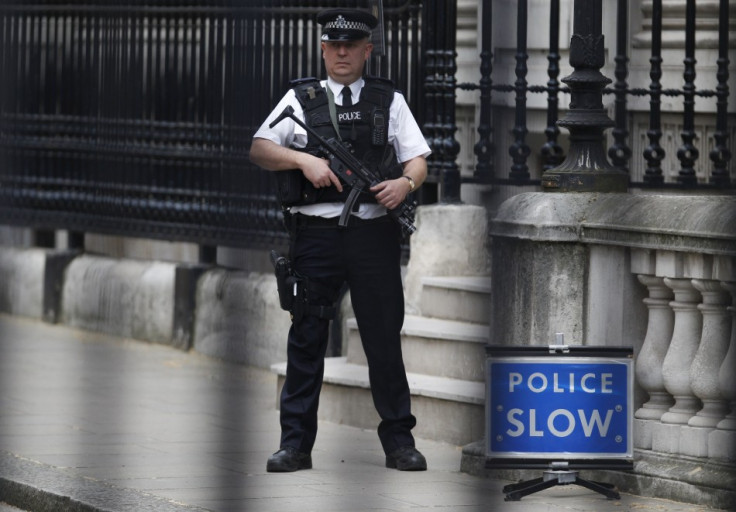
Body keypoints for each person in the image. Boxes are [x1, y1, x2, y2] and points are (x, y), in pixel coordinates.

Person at [249, 8, 430, 473]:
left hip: (373, 234)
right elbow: (260, 148)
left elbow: (418, 161)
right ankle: (295, 445)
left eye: (352, 46)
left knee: (383, 339)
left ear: (368, 50)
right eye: (334, 45)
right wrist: (301, 161)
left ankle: (399, 443)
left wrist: (403, 186)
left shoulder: (387, 99)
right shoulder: (300, 99)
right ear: (324, 49)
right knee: (307, 337)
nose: (342, 53)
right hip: (316, 235)